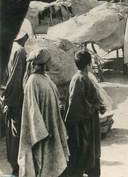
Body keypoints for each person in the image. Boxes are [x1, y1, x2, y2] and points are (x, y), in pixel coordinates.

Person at [18, 48, 69, 177]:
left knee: (52, 164)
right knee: (43, 164)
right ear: (42, 64)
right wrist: (42, 132)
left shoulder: (45, 79)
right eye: (47, 62)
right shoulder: (33, 82)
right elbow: (32, 111)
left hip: (52, 127)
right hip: (43, 133)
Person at [64, 50, 106, 177]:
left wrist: (98, 105)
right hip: (83, 128)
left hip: (89, 124)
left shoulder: (82, 78)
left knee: (90, 157)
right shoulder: (80, 79)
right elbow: (76, 106)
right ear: (89, 64)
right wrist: (96, 107)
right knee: (84, 157)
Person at [1, 31, 28, 176]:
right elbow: (17, 80)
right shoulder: (20, 51)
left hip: (8, 98)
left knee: (11, 135)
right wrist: (11, 101)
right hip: (16, 100)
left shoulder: (10, 48)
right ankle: (17, 169)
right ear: (25, 36)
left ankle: (14, 167)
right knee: (17, 136)